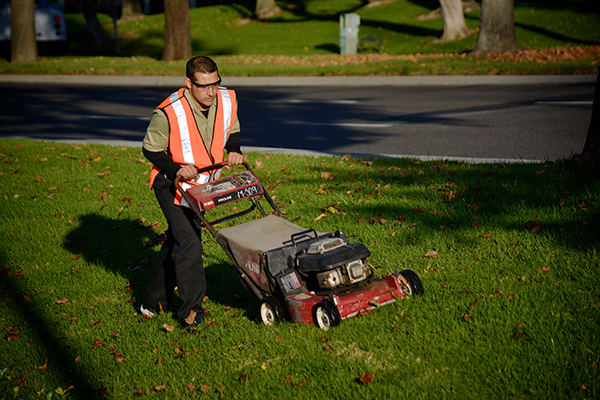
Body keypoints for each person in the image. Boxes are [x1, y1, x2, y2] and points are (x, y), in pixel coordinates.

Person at [140, 56, 245, 327]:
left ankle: (153, 301)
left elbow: (232, 130)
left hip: (202, 185)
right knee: (189, 243)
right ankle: (191, 312)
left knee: (178, 240)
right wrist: (175, 168)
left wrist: (234, 149)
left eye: (215, 83)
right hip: (170, 184)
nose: (211, 92)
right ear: (189, 83)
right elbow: (150, 149)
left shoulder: (225, 99)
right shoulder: (168, 112)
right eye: (204, 86)